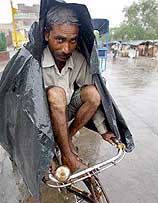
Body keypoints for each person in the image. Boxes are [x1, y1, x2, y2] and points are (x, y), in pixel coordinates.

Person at [43, 5, 116, 173]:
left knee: (93, 92)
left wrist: (103, 130)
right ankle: (67, 155)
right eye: (60, 40)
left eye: (73, 41)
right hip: (43, 118)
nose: (66, 49)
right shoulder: (34, 61)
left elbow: (94, 96)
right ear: (47, 35)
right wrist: (39, 151)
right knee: (56, 93)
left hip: (66, 110)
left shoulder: (77, 59)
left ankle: (67, 137)